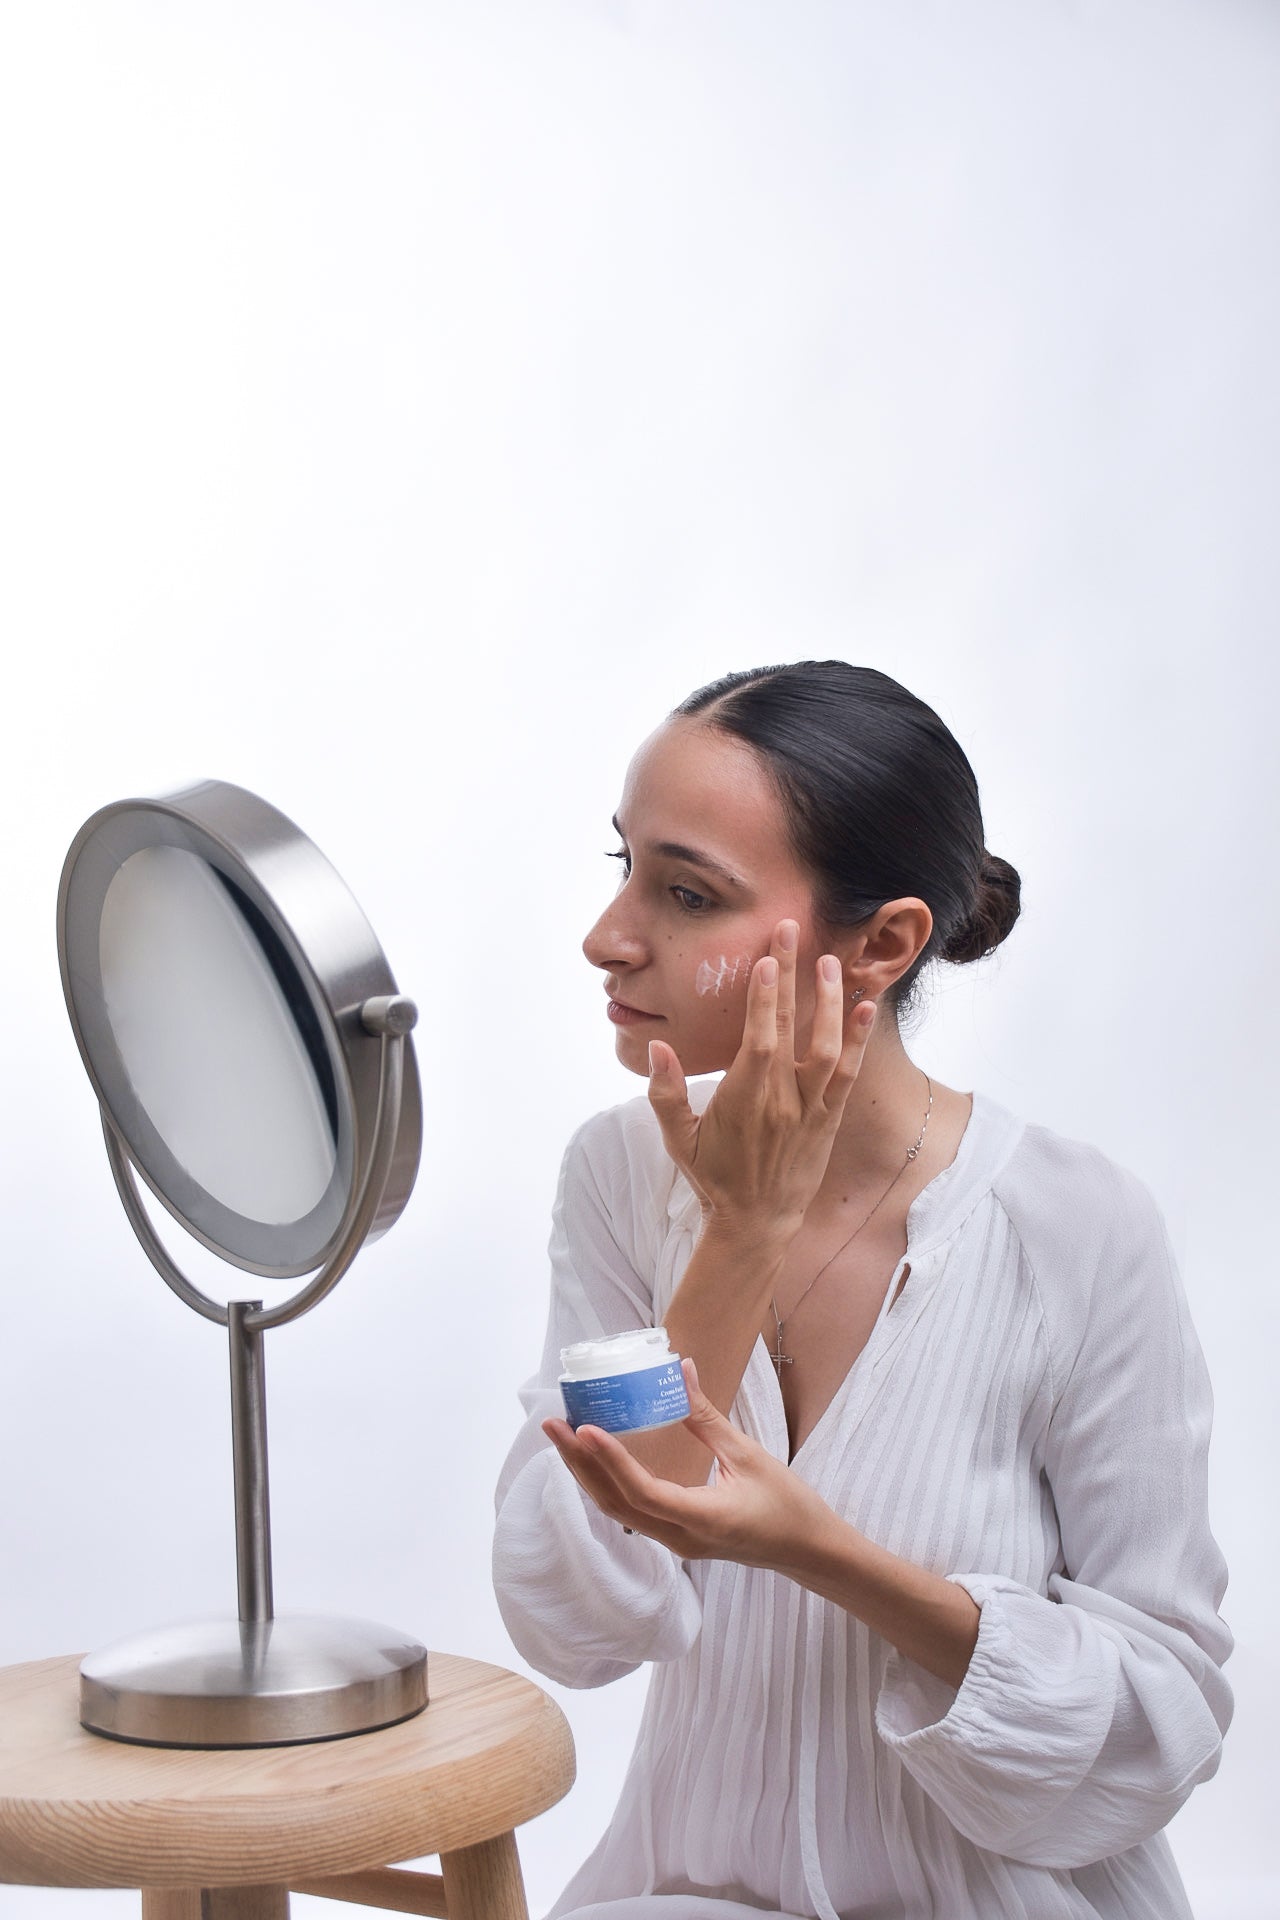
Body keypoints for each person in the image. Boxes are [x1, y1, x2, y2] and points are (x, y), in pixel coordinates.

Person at [492, 661, 1233, 1920]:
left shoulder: (1076, 1227)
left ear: (883, 943)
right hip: (693, 1896)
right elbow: (573, 1615)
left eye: (685, 892)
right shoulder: (621, 1179)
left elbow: (1155, 1726)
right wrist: (739, 1237)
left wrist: (823, 1555)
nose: (607, 936)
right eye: (623, 865)